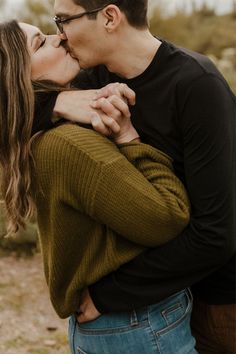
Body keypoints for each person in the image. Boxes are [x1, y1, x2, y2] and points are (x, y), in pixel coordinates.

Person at [46, 0, 236, 353]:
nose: (59, 35)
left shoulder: (198, 84)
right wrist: (54, 104)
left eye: (62, 20)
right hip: (158, 301)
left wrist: (107, 295)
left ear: (109, 17)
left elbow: (216, 236)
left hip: (218, 299)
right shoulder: (92, 78)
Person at [0, 20, 198, 354]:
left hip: (116, 326)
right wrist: (129, 138)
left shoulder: (44, 132)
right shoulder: (69, 144)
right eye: (40, 44)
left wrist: (53, 103)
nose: (59, 36)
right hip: (136, 325)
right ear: (19, 77)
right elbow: (168, 219)